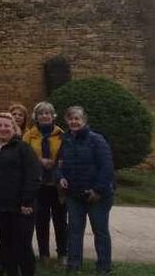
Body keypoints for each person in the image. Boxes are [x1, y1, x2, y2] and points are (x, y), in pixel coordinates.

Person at [0, 112, 41, 276]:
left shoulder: (23, 149)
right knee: (5, 245)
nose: (2, 128)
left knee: (22, 246)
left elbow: (33, 176)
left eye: (7, 125)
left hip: (21, 208)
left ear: (14, 128)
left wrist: (27, 202)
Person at [57, 106, 114, 275]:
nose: (74, 121)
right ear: (66, 121)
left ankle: (103, 266)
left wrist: (97, 190)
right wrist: (60, 177)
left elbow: (107, 167)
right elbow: (58, 164)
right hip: (74, 195)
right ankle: (74, 264)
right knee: (74, 230)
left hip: (97, 195)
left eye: (77, 118)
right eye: (71, 118)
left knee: (100, 230)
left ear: (84, 121)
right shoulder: (65, 140)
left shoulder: (97, 140)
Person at [23, 102, 66, 264]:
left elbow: (66, 156)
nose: (45, 116)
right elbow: (24, 155)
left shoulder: (61, 134)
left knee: (60, 220)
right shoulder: (30, 135)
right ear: (36, 117)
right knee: (41, 220)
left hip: (57, 185)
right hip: (38, 184)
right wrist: (38, 160)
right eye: (41, 113)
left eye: (48, 113)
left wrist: (55, 163)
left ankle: (63, 253)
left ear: (53, 116)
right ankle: (44, 254)